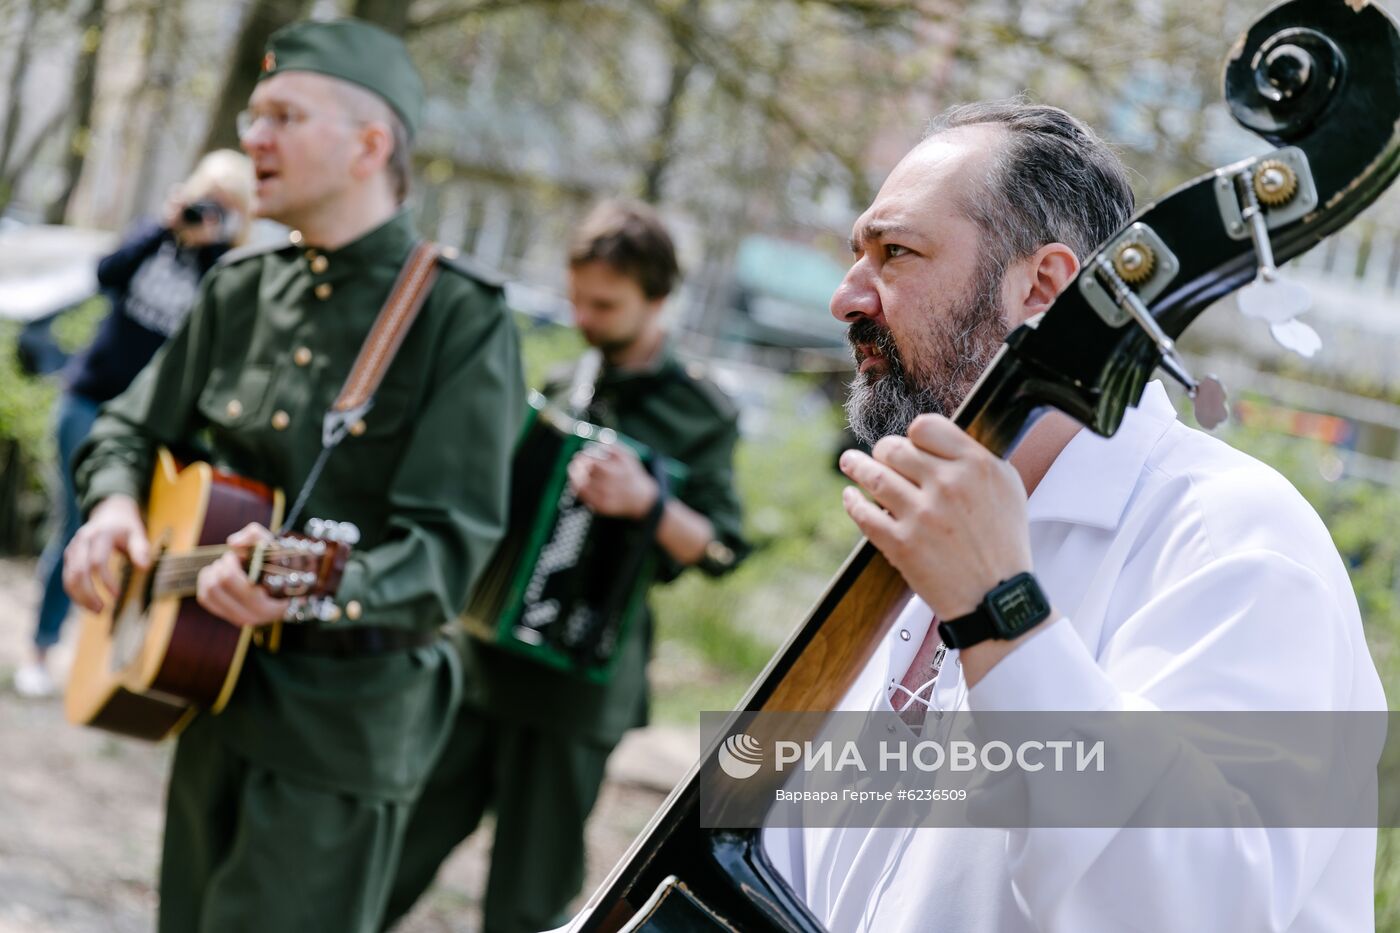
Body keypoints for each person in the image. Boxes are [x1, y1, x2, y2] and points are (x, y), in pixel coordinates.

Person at [763, 101, 1385, 931]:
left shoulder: (1237, 540)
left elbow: (1196, 910)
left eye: (895, 252)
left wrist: (1001, 613)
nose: (846, 296)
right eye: (856, 255)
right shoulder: (917, 554)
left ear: (1043, 287)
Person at [62, 19, 523, 933]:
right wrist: (114, 508)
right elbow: (125, 423)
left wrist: (312, 592)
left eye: (282, 116)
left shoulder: (457, 320)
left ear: (368, 145)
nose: (252, 139)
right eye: (252, 114)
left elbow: (445, 551)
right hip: (205, 688)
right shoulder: (241, 288)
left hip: (341, 731)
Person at [383, 200, 748, 933]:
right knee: (394, 851)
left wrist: (648, 500)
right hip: (483, 666)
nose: (583, 315)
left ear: (658, 298)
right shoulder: (558, 384)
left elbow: (720, 548)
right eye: (577, 297)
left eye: (605, 304)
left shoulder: (700, 409)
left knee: (529, 895)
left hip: (579, 690)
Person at [14, 150, 254, 698]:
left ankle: (99, 652)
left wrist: (210, 250)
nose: (207, 214)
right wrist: (166, 231)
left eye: (224, 207)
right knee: (83, 522)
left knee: (144, 542)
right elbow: (103, 274)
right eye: (204, 201)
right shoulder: (155, 238)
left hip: (158, 426)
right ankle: (42, 648)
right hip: (90, 402)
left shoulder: (225, 273)